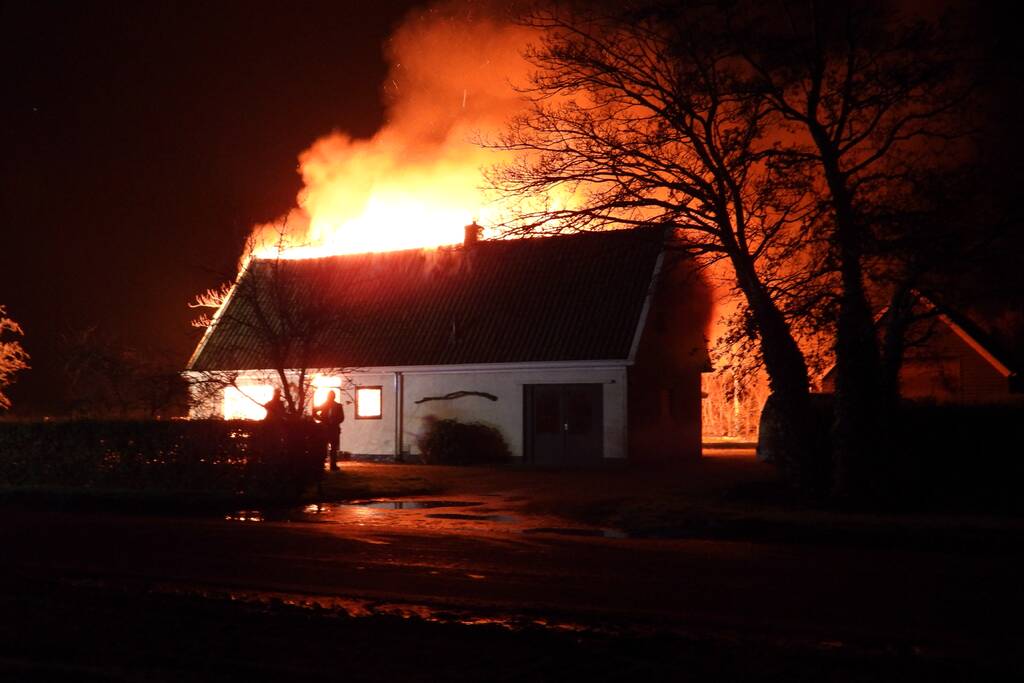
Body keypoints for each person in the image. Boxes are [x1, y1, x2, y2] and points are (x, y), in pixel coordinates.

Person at [313, 390, 345, 470]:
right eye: (330, 396)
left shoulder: (338, 406)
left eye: (331, 396)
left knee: (333, 448)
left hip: (333, 429)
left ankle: (332, 465)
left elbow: (341, 418)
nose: (330, 398)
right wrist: (322, 420)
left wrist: (333, 421)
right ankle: (326, 465)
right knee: (325, 447)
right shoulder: (326, 404)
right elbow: (314, 411)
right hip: (327, 429)